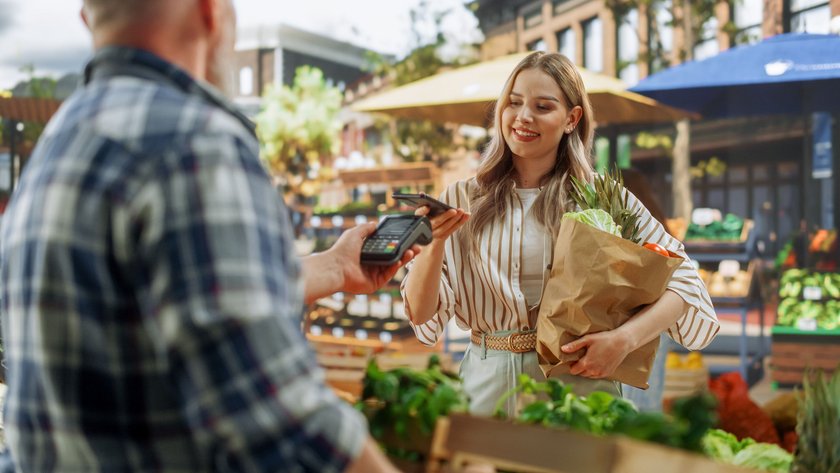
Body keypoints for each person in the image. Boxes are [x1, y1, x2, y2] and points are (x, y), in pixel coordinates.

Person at [0, 1, 414, 471]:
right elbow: (279, 420)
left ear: (88, 18)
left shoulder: (60, 140)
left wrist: (336, 266)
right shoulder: (192, 142)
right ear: (210, 12)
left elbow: (167, 303)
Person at [401, 52, 720, 416]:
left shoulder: (603, 198)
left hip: (582, 388)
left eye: (543, 106)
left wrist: (624, 339)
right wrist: (434, 243)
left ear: (572, 119)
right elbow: (422, 312)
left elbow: (685, 279)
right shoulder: (459, 199)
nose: (523, 117)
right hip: (487, 391)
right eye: (514, 103)